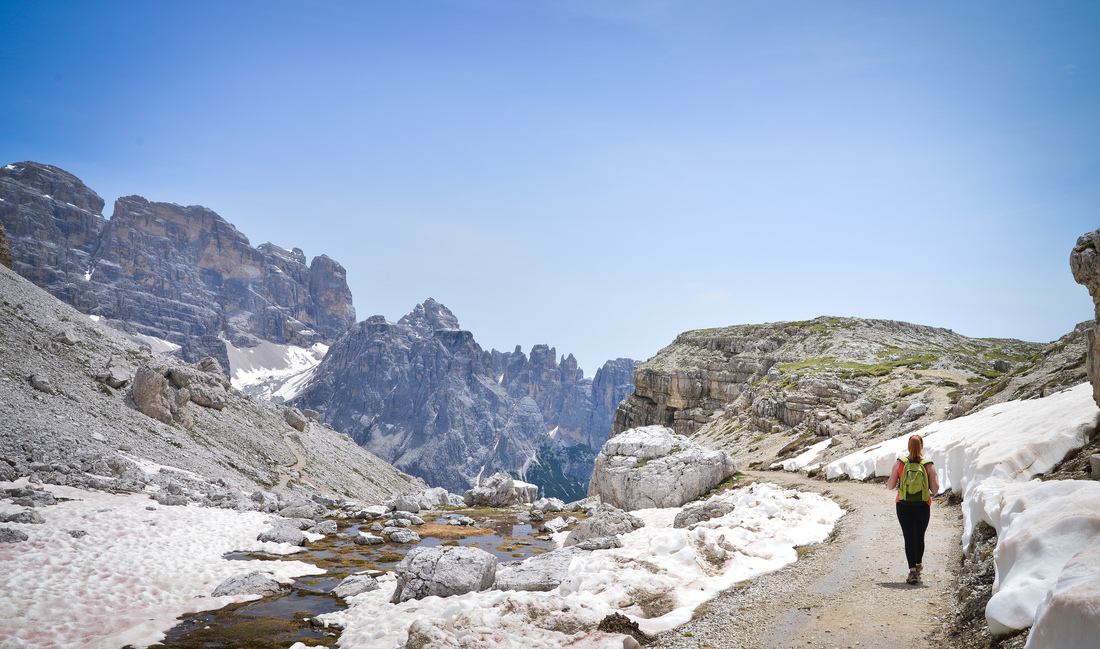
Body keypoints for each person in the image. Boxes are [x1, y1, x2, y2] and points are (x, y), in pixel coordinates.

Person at [886, 434, 939, 584]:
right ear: (922, 446)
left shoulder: (900, 463)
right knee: (919, 536)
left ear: (908, 446)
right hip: (922, 506)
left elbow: (890, 486)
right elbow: (935, 489)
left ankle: (912, 572)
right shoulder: (928, 464)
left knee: (908, 537)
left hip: (903, 505)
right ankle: (918, 564)